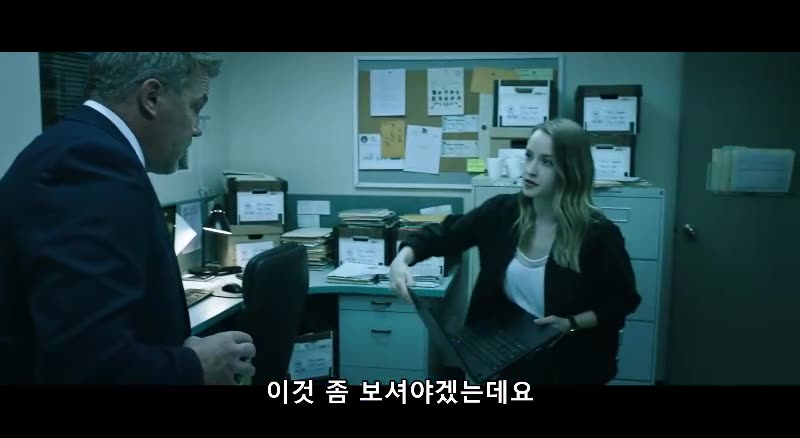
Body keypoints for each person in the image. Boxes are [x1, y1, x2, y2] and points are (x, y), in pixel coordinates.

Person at [0, 52, 255, 385]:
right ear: (152, 98)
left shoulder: (78, 148)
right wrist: (196, 365)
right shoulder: (88, 163)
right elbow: (86, 366)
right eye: (195, 107)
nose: (196, 130)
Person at [389, 118, 641, 385]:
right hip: (505, 356)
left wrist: (570, 323)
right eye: (529, 156)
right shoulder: (502, 212)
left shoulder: (598, 234)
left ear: (571, 170)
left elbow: (623, 301)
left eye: (547, 162)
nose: (530, 170)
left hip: (570, 363)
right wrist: (402, 259)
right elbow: (447, 234)